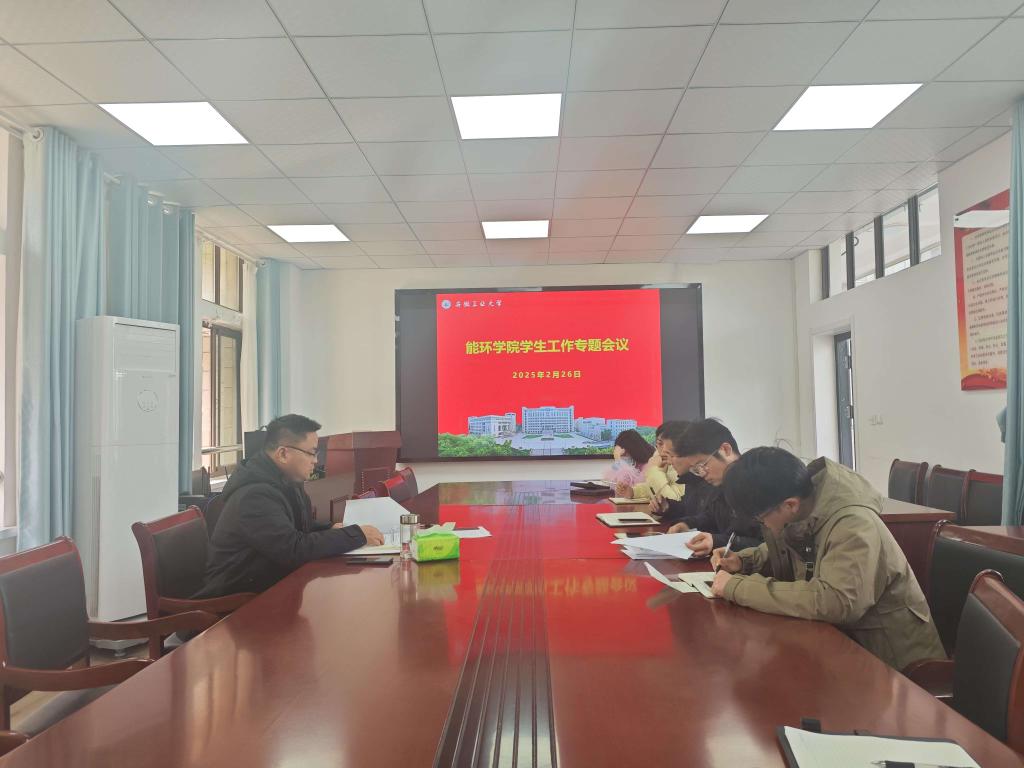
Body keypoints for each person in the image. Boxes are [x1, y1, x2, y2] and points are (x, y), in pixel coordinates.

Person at [711, 447, 946, 671]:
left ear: (790, 504)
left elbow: (835, 602)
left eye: (761, 519)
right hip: (847, 646)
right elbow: (793, 545)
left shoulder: (854, 525)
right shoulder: (806, 506)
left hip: (895, 666)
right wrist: (745, 561)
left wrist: (737, 588)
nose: (763, 525)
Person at [195, 414, 385, 598]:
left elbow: (297, 527)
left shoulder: (286, 481)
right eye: (311, 452)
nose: (316, 460)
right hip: (239, 601)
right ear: (283, 454)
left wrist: (331, 527)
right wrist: (356, 535)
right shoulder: (254, 496)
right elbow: (293, 549)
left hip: (270, 587)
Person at [661, 419, 762, 557]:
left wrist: (716, 541)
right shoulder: (721, 482)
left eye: (702, 464)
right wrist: (687, 524)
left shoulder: (758, 485)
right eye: (696, 469)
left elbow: (767, 545)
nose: (702, 473)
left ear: (725, 450)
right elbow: (712, 516)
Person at [626, 421, 688, 503]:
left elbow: (673, 501)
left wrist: (654, 471)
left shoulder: (684, 465)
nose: (664, 450)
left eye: (668, 444)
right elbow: (655, 487)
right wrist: (634, 492)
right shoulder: (660, 459)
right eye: (660, 444)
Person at [605, 428, 656, 493]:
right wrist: (618, 462)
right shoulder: (634, 463)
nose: (623, 456)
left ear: (633, 450)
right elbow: (613, 483)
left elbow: (631, 487)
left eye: (624, 453)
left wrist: (618, 459)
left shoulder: (649, 464)